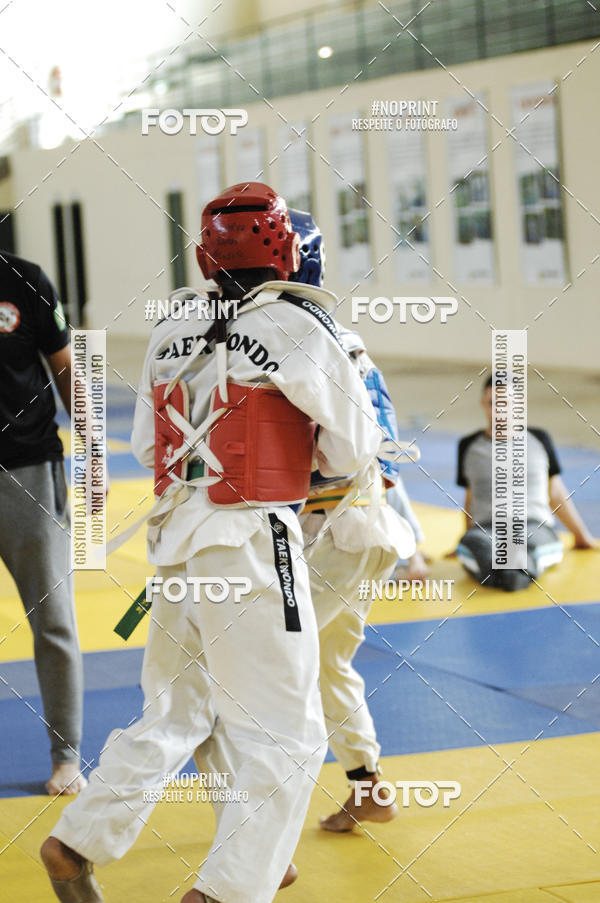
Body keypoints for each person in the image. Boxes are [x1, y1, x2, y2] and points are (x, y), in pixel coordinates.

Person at [41, 183, 384, 903]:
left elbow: (143, 444)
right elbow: (354, 449)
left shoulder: (172, 329)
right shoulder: (300, 326)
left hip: (176, 541)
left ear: (204, 252)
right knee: (289, 736)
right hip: (257, 537)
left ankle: (77, 841)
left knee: (174, 709)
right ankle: (226, 892)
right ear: (285, 247)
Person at [288, 210, 416, 832]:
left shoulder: (295, 344)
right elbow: (387, 455)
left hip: (330, 533)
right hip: (367, 530)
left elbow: (337, 454)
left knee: (276, 668)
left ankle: (265, 826)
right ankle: (368, 787)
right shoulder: (347, 339)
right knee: (328, 664)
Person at [0, 249, 86, 796]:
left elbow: (68, 372)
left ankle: (66, 756)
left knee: (53, 619)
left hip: (30, 469)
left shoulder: (24, 279)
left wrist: (97, 457)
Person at [456, 373, 596, 591]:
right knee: (477, 545)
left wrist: (581, 536)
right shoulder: (468, 446)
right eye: (493, 404)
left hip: (533, 527)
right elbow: (470, 498)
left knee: (521, 551)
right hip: (487, 529)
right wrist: (467, 533)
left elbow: (556, 492)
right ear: (483, 403)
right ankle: (506, 570)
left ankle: (513, 571)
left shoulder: (539, 439)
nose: (499, 411)